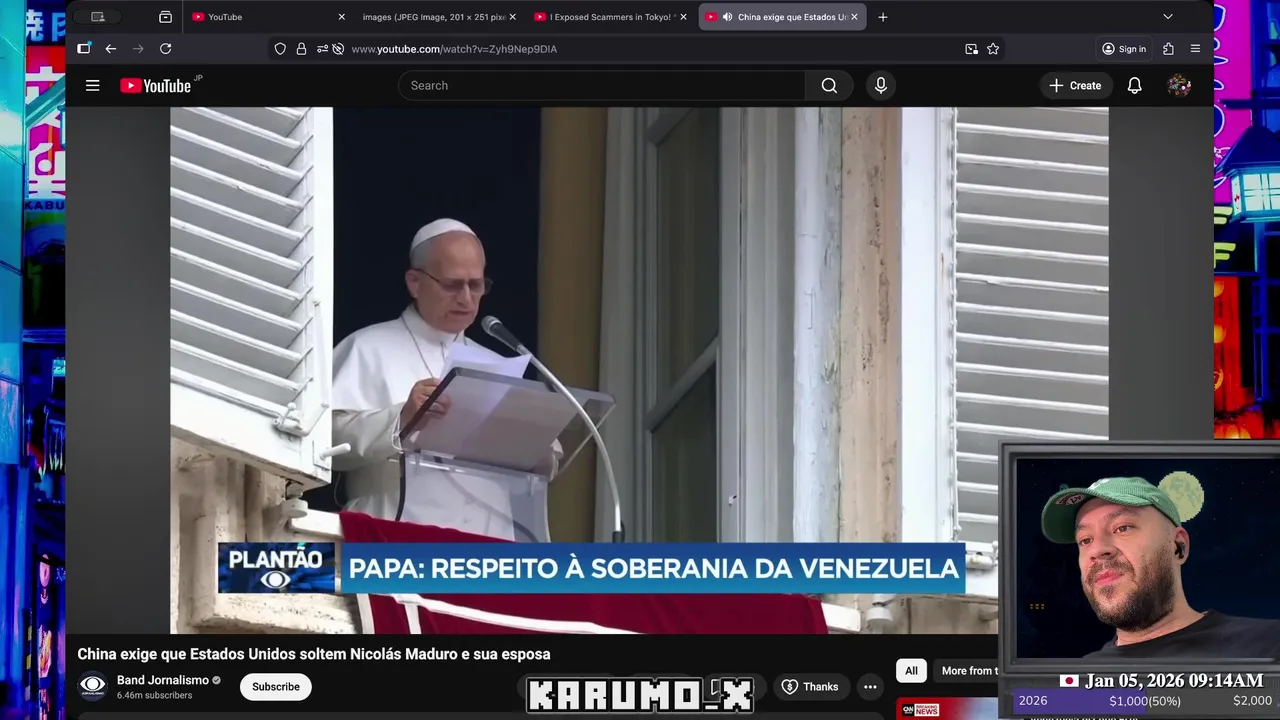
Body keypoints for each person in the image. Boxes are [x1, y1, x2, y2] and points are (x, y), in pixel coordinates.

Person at [331, 219, 558, 541]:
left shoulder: (499, 364)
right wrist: (401, 419)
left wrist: (536, 449)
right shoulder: (367, 347)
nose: (466, 298)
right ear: (414, 282)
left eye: (476, 285)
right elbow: (326, 443)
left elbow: (541, 467)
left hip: (489, 545)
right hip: (395, 537)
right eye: (452, 285)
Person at [1041, 476, 1280, 659]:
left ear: (1178, 546)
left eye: (1122, 528)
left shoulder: (1268, 647)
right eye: (1085, 540)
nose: (1097, 550)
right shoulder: (1078, 681)